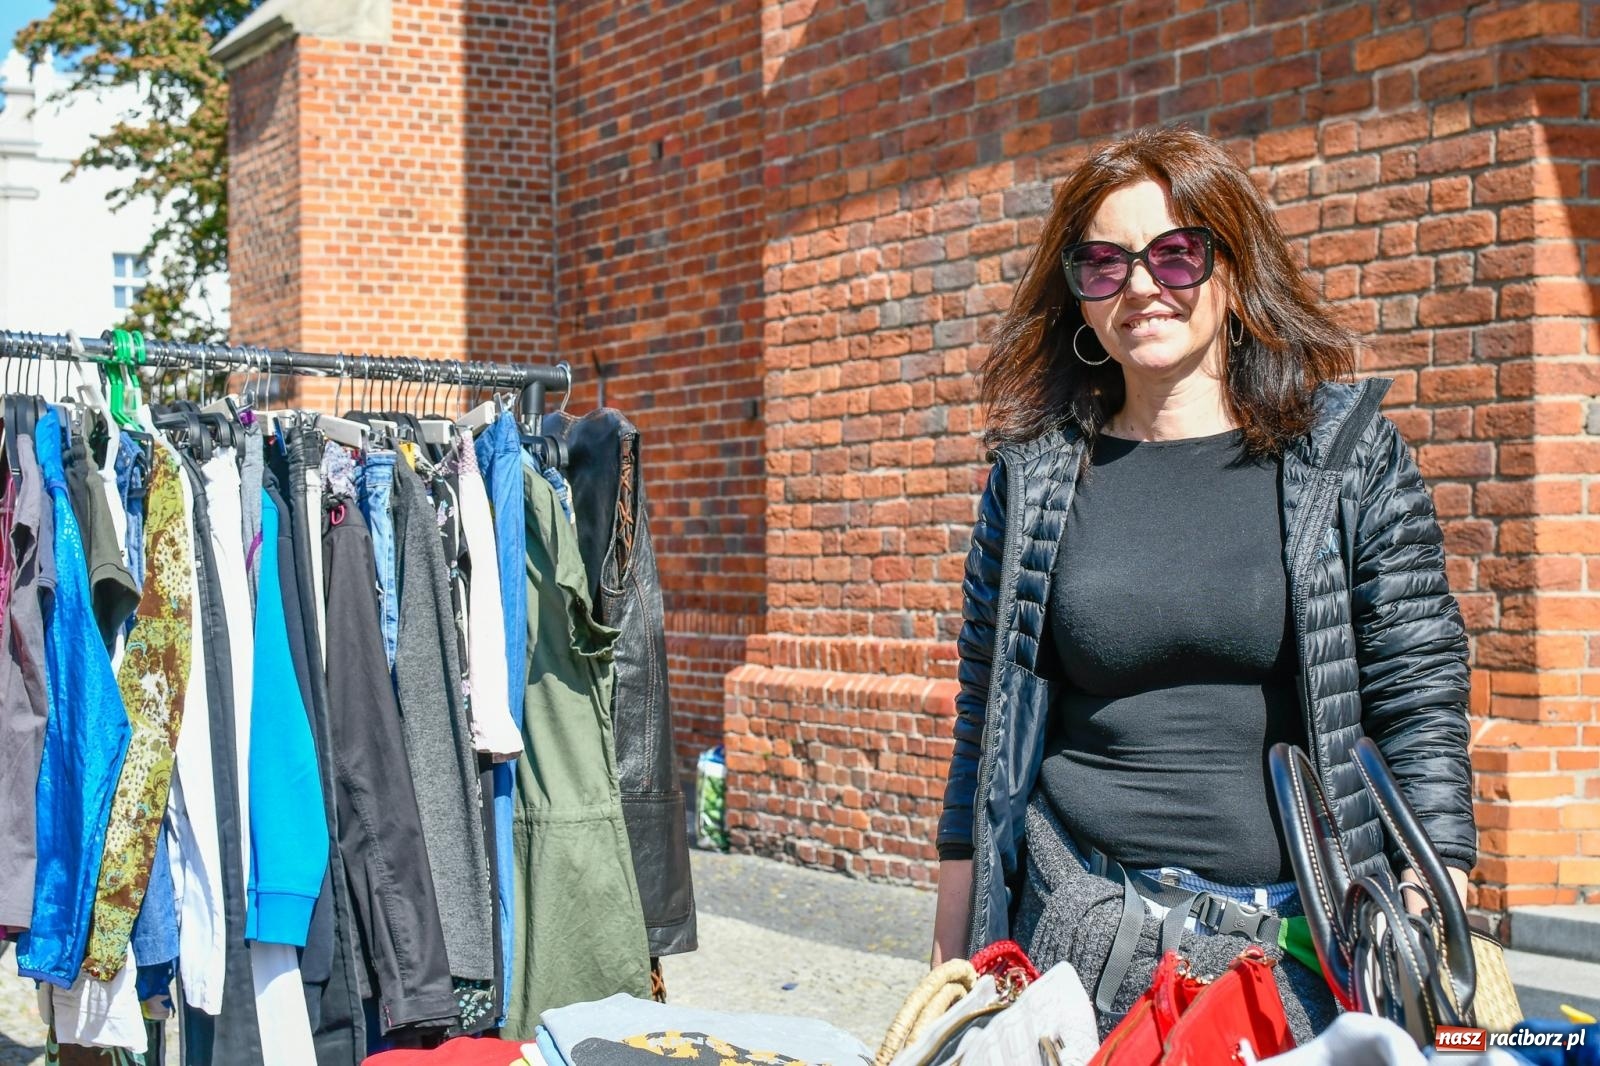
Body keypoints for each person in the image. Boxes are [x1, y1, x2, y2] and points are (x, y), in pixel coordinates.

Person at [931, 125, 1476, 1033]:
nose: (1141, 286)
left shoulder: (1344, 457)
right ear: (1080, 297)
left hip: (1297, 957)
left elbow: (1419, 695)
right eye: (1104, 264)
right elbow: (983, 717)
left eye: (1176, 254)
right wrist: (952, 958)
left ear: (1233, 266)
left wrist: (1428, 910)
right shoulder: (1033, 478)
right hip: (1075, 946)